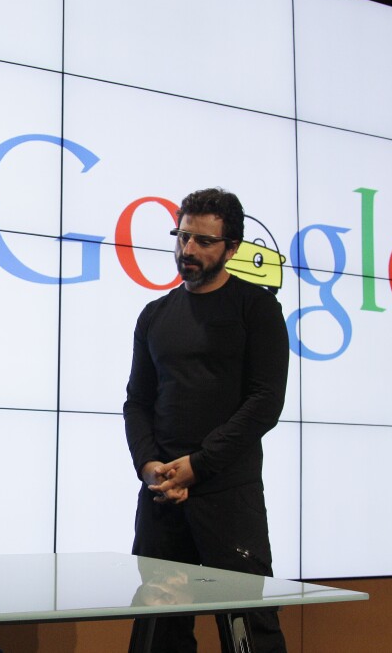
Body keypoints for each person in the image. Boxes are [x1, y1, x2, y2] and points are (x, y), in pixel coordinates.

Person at [123, 188, 289, 653]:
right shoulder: (155, 315)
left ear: (231, 249)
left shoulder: (257, 309)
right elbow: (136, 402)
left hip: (228, 498)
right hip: (160, 499)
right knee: (158, 633)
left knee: (249, 632)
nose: (187, 250)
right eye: (182, 236)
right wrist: (149, 466)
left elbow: (265, 402)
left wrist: (199, 464)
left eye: (202, 241)